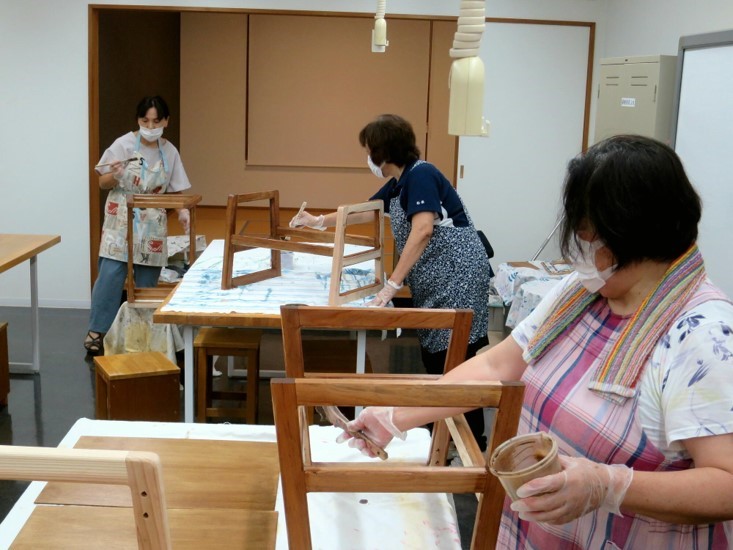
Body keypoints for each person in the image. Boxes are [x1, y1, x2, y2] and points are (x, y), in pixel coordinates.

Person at [339, 135, 733, 548]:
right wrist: (396, 416)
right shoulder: (582, 292)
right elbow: (497, 365)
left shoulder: (704, 337)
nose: (579, 242)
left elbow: (725, 483)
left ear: (630, 232)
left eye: (587, 232)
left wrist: (608, 485)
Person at [290, 114, 493, 447]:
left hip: (458, 278)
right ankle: (444, 438)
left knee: (455, 363)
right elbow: (366, 210)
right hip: (437, 279)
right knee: (440, 361)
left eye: (369, 150)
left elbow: (423, 229)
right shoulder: (401, 181)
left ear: (382, 152)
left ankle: (469, 445)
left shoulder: (421, 174)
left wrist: (392, 285)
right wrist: (318, 221)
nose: (368, 157)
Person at [84, 95, 191, 355]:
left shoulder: (169, 151)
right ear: (138, 120)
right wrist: (116, 174)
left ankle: (142, 334)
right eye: (145, 121)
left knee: (147, 281)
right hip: (121, 219)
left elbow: (177, 189)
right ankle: (97, 331)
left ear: (166, 121)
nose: (150, 127)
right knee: (110, 276)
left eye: (156, 121)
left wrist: (182, 210)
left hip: (152, 223)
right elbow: (102, 182)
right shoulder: (123, 145)